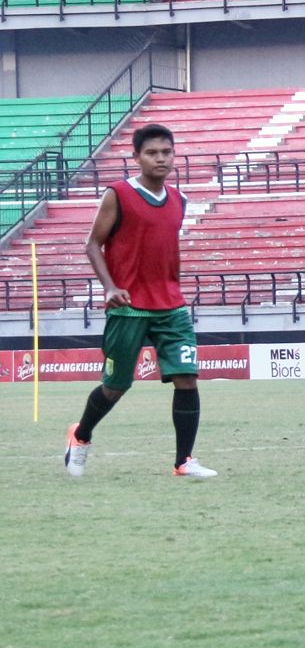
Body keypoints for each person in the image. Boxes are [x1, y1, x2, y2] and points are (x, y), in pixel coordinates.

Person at [63, 124, 216, 478]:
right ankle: (80, 436)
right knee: (115, 386)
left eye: (167, 152)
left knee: (187, 377)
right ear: (136, 157)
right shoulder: (117, 194)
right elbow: (92, 244)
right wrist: (109, 287)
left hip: (172, 306)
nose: (161, 158)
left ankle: (184, 461)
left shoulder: (179, 200)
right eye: (152, 153)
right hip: (128, 306)